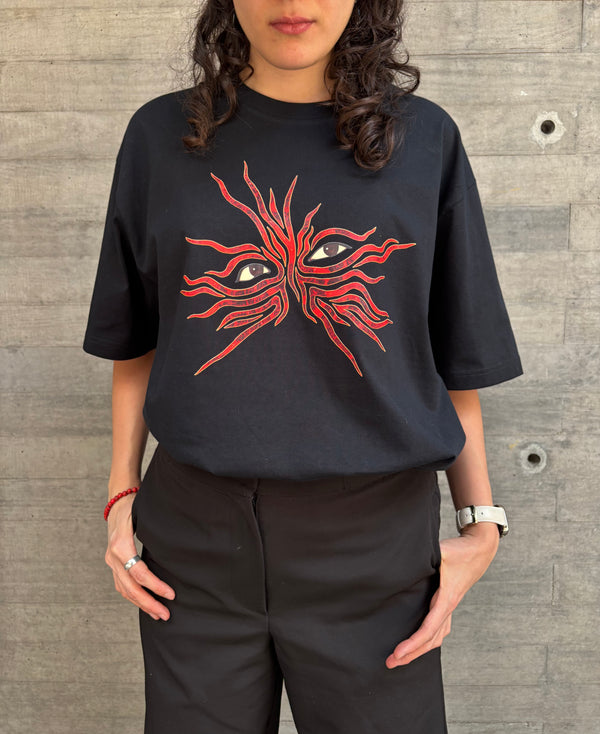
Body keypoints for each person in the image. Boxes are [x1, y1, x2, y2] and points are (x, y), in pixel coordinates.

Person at [83, 1, 523, 732]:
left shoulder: (425, 139)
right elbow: (136, 340)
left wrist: (480, 526)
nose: (292, 2)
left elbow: (452, 354)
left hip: (375, 547)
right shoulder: (160, 135)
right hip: (194, 546)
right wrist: (119, 498)